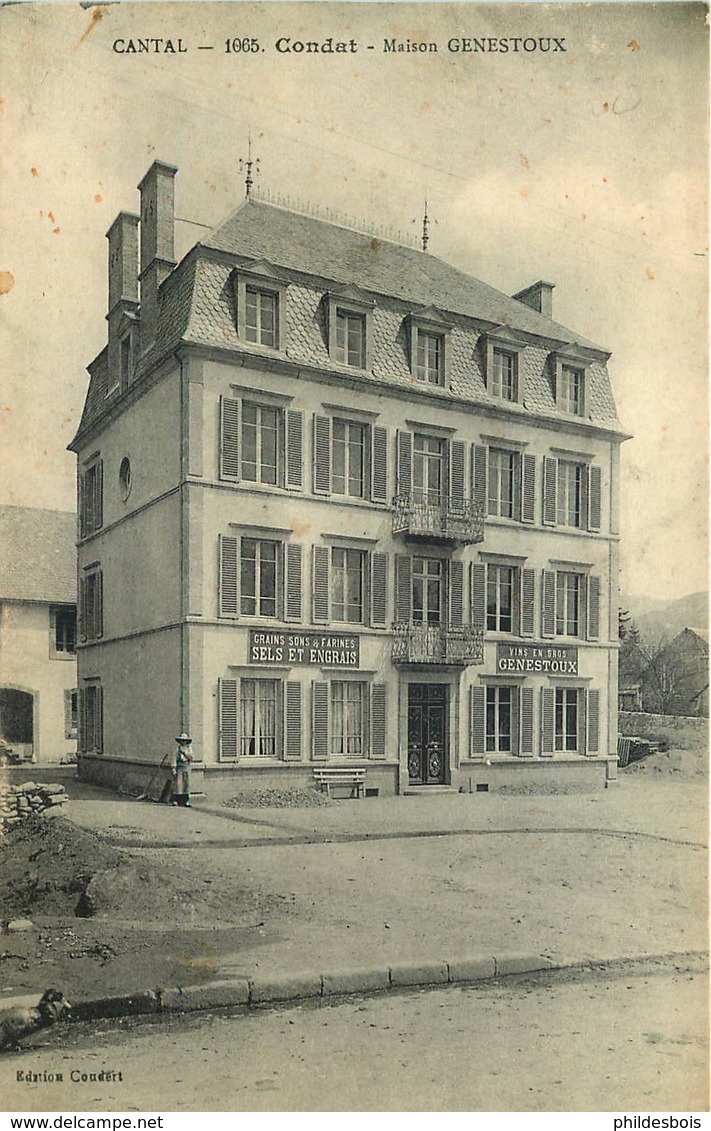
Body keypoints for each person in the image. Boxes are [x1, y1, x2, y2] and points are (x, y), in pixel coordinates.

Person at [171, 733, 193, 807]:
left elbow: (191, 758)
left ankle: (185, 801)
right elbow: (174, 758)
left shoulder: (189, 749)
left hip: (186, 766)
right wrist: (173, 768)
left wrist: (185, 753)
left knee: (187, 783)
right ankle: (176, 800)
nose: (183, 742)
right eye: (182, 740)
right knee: (178, 784)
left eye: (185, 741)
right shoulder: (177, 749)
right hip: (179, 766)